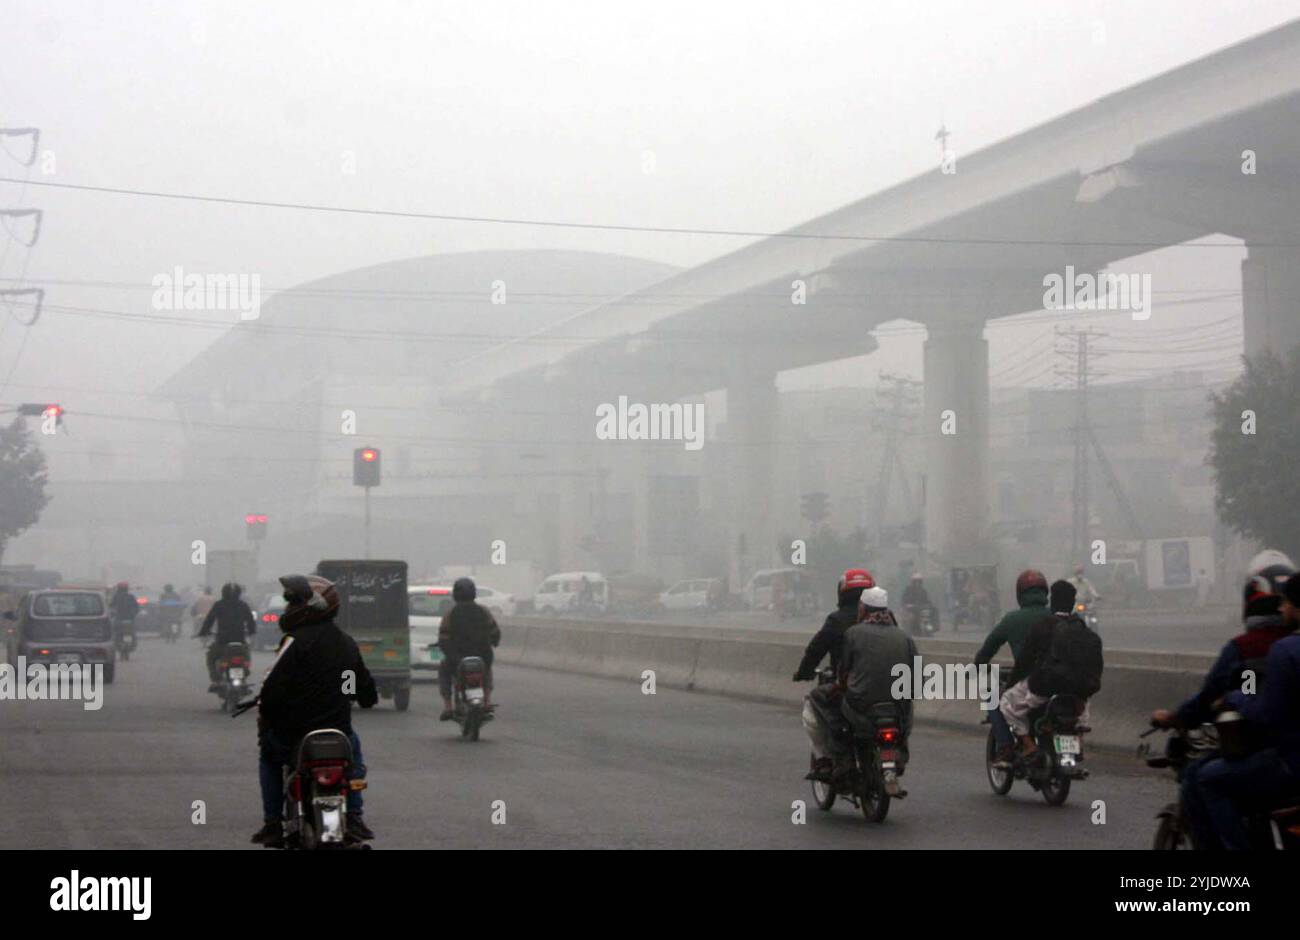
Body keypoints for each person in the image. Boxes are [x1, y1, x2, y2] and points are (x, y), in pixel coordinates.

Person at [252, 574, 378, 847]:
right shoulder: (346, 643)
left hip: (295, 735)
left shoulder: (294, 642)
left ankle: (273, 823)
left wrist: (268, 716)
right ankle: (354, 815)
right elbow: (361, 691)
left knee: (269, 756)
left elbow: (272, 689)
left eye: (294, 602)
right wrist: (346, 694)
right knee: (353, 761)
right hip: (338, 733)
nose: (289, 608)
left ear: (313, 606)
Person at [1182, 567, 1300, 850]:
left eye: (1285, 601)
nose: (1281, 606)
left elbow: (1266, 715)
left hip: (1290, 763)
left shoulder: (1280, 651)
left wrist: (1236, 699)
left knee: (1207, 779)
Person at [1151, 550, 1296, 734]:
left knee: (1204, 764)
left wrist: (1232, 698)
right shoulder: (1285, 646)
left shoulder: (1251, 649)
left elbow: (1249, 700)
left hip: (1276, 747)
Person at [997, 580, 1099, 762]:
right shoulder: (1082, 628)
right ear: (1073, 602)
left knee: (1006, 703)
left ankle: (1028, 745)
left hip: (1045, 687)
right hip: (1079, 691)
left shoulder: (1043, 625)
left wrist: (1011, 684)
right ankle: (1079, 744)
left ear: (1052, 601)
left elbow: (1024, 661)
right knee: (1080, 715)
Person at [793, 569, 874, 782]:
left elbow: (816, 649)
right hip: (887, 687)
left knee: (817, 702)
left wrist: (803, 672)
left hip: (850, 687)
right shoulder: (886, 619)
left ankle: (830, 759)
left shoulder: (838, 621)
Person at [837, 585, 918, 794]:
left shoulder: (853, 634)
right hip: (896, 707)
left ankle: (845, 764)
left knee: (839, 719)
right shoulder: (904, 637)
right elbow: (916, 676)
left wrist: (844, 687)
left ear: (863, 609)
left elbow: (843, 671)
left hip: (862, 704)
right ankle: (898, 758)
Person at [438, 577, 501, 721]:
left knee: (443, 670)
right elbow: (495, 632)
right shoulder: (483, 611)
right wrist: (494, 642)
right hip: (483, 656)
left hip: (458, 658)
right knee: (487, 671)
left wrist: (449, 652)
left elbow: (444, 638)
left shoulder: (450, 614)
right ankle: (487, 701)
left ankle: (448, 706)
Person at [198, 582, 256, 689]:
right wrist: (251, 632)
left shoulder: (219, 605)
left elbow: (209, 620)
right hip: (240, 640)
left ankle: (215, 679)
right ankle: (245, 673)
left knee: (211, 657)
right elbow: (251, 622)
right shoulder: (243, 605)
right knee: (246, 655)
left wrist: (203, 632)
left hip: (222, 641)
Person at [109, 581, 138, 648]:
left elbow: (111, 605)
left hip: (120, 618)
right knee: (132, 631)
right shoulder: (131, 597)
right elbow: (136, 607)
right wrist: (134, 614)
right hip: (129, 619)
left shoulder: (116, 596)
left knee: (115, 631)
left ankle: (119, 642)